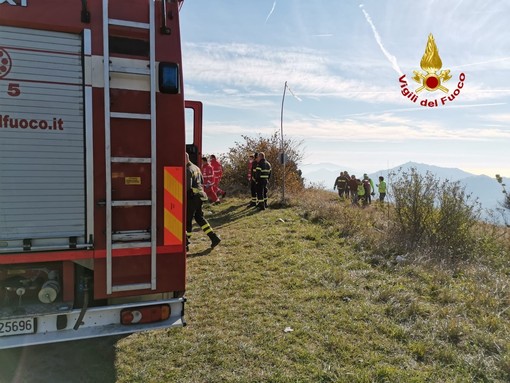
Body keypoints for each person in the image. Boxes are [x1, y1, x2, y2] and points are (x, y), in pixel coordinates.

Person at [185, 152, 221, 251]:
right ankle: (214, 237)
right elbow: (202, 181)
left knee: (187, 220)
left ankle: (185, 243)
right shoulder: (196, 167)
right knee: (199, 218)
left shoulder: (187, 169)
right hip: (200, 196)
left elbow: (187, 187)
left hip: (192, 197)